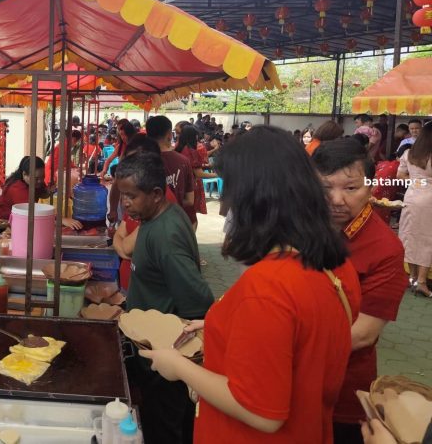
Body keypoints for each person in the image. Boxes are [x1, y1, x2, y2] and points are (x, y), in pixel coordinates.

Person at [141, 126, 361, 444]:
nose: (227, 207)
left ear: (254, 200)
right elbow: (300, 340)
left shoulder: (267, 288)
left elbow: (261, 412)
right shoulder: (335, 267)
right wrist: (224, 324)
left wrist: (177, 365)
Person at [311, 139, 406, 444]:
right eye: (326, 187)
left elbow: (363, 333)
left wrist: (283, 345)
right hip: (288, 380)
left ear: (370, 188)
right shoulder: (302, 227)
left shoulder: (386, 249)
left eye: (350, 188)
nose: (336, 199)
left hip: (342, 386)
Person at [116, 152, 215, 444]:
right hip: (154, 356)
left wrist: (177, 355)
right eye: (122, 195)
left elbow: (199, 304)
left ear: (157, 194)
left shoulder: (167, 236)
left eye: (131, 196)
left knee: (165, 431)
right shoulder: (152, 217)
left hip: (166, 362)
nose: (125, 203)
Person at [113, 134, 182, 291]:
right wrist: (121, 245)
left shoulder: (159, 201)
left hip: (147, 292)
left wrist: (122, 246)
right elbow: (119, 235)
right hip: (129, 283)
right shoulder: (136, 198)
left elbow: (126, 248)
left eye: (135, 163)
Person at [0, 156, 81, 230]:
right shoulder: (18, 189)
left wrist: (50, 190)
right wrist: (61, 219)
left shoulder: (33, 183)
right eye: (36, 178)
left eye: (42, 177)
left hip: (14, 220)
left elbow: (43, 193)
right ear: (24, 174)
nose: (40, 181)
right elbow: (33, 212)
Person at [398, 121, 432, 297]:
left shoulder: (408, 153)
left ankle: (411, 277)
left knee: (409, 236)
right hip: (429, 200)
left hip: (410, 197)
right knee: (427, 240)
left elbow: (400, 175)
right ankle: (422, 282)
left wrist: (415, 182)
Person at [146, 115, 195, 210]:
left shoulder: (139, 160)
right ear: (169, 135)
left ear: (147, 135)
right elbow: (190, 200)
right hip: (174, 218)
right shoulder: (183, 161)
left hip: (147, 220)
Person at [176, 124, 217, 229]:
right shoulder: (192, 151)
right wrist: (218, 174)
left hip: (178, 185)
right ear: (193, 136)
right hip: (190, 187)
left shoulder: (177, 148)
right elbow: (199, 173)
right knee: (192, 219)